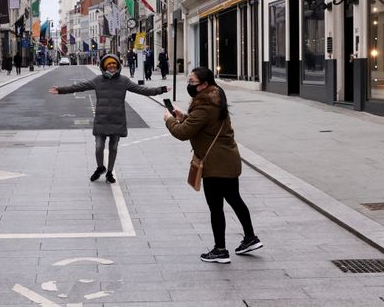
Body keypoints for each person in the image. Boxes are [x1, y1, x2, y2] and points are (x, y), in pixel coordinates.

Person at [163, 67, 261, 264]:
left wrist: (170, 120)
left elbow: (182, 134)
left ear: (204, 85)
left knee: (216, 207)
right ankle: (250, 238)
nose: (189, 85)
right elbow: (205, 126)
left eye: (192, 82)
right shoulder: (216, 99)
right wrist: (184, 118)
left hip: (214, 165)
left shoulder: (204, 106)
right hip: (229, 159)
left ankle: (220, 250)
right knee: (235, 199)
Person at [49, 53, 169, 184]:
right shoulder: (97, 80)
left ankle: (110, 172)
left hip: (117, 119)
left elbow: (142, 90)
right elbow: (79, 87)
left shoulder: (124, 81)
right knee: (99, 147)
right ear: (104, 66)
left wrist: (161, 89)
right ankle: (100, 167)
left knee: (113, 147)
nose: (112, 66)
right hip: (102, 118)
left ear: (117, 65)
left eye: (114, 64)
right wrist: (61, 90)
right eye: (109, 64)